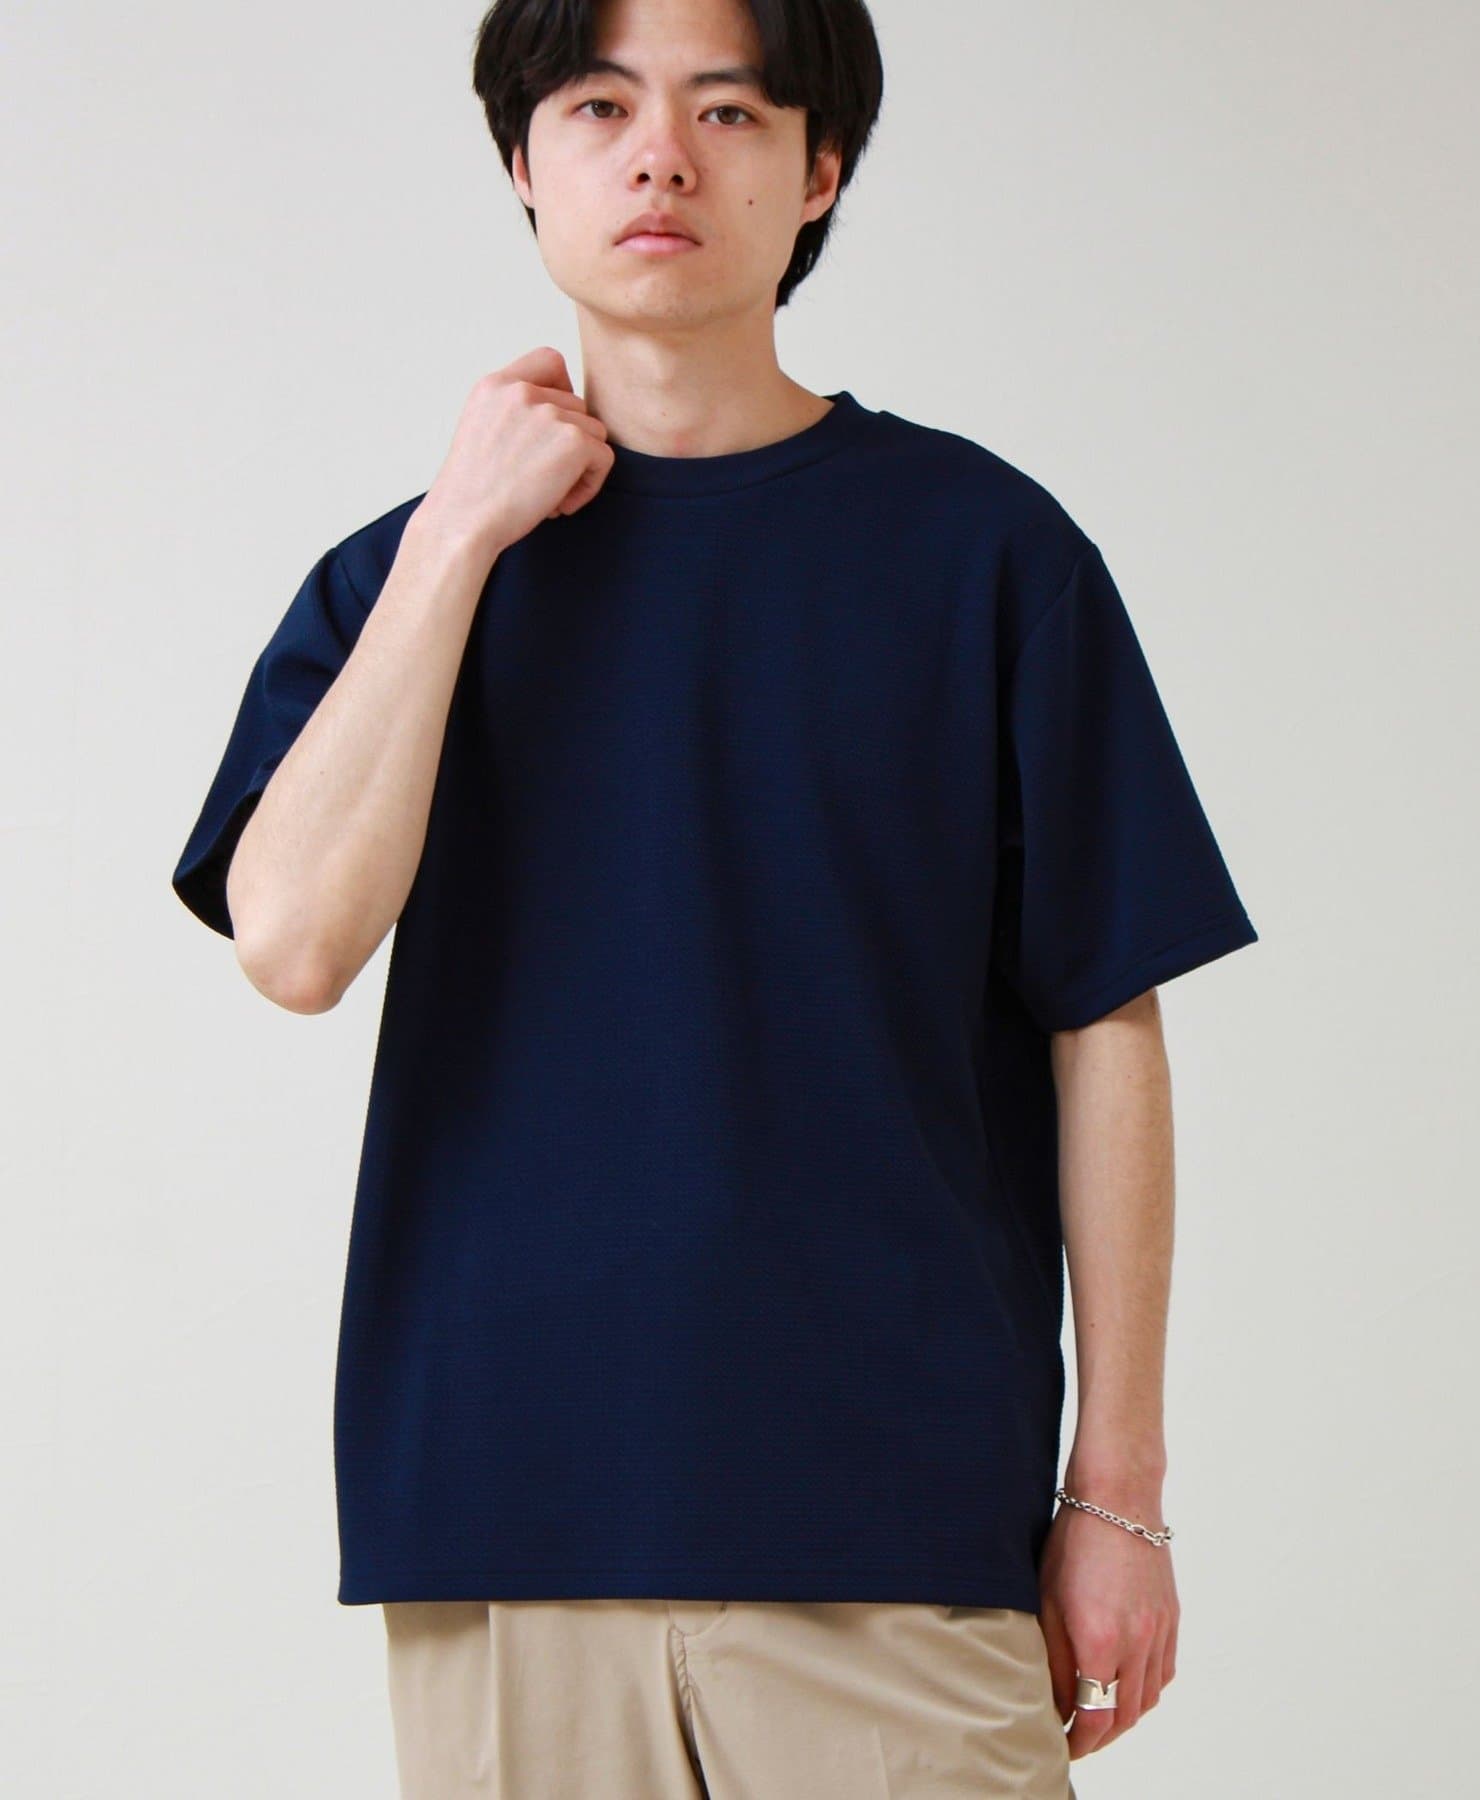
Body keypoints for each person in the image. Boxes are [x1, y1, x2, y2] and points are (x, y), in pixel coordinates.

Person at [169, 0, 1259, 1793]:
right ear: (524, 166)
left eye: (730, 111)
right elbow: (290, 941)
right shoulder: (401, 578)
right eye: (599, 107)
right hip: (511, 1516)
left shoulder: (986, 555)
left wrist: (1117, 1498)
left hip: (898, 1517)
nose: (662, 158)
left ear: (819, 170)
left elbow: (1107, 1020)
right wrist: (461, 534)